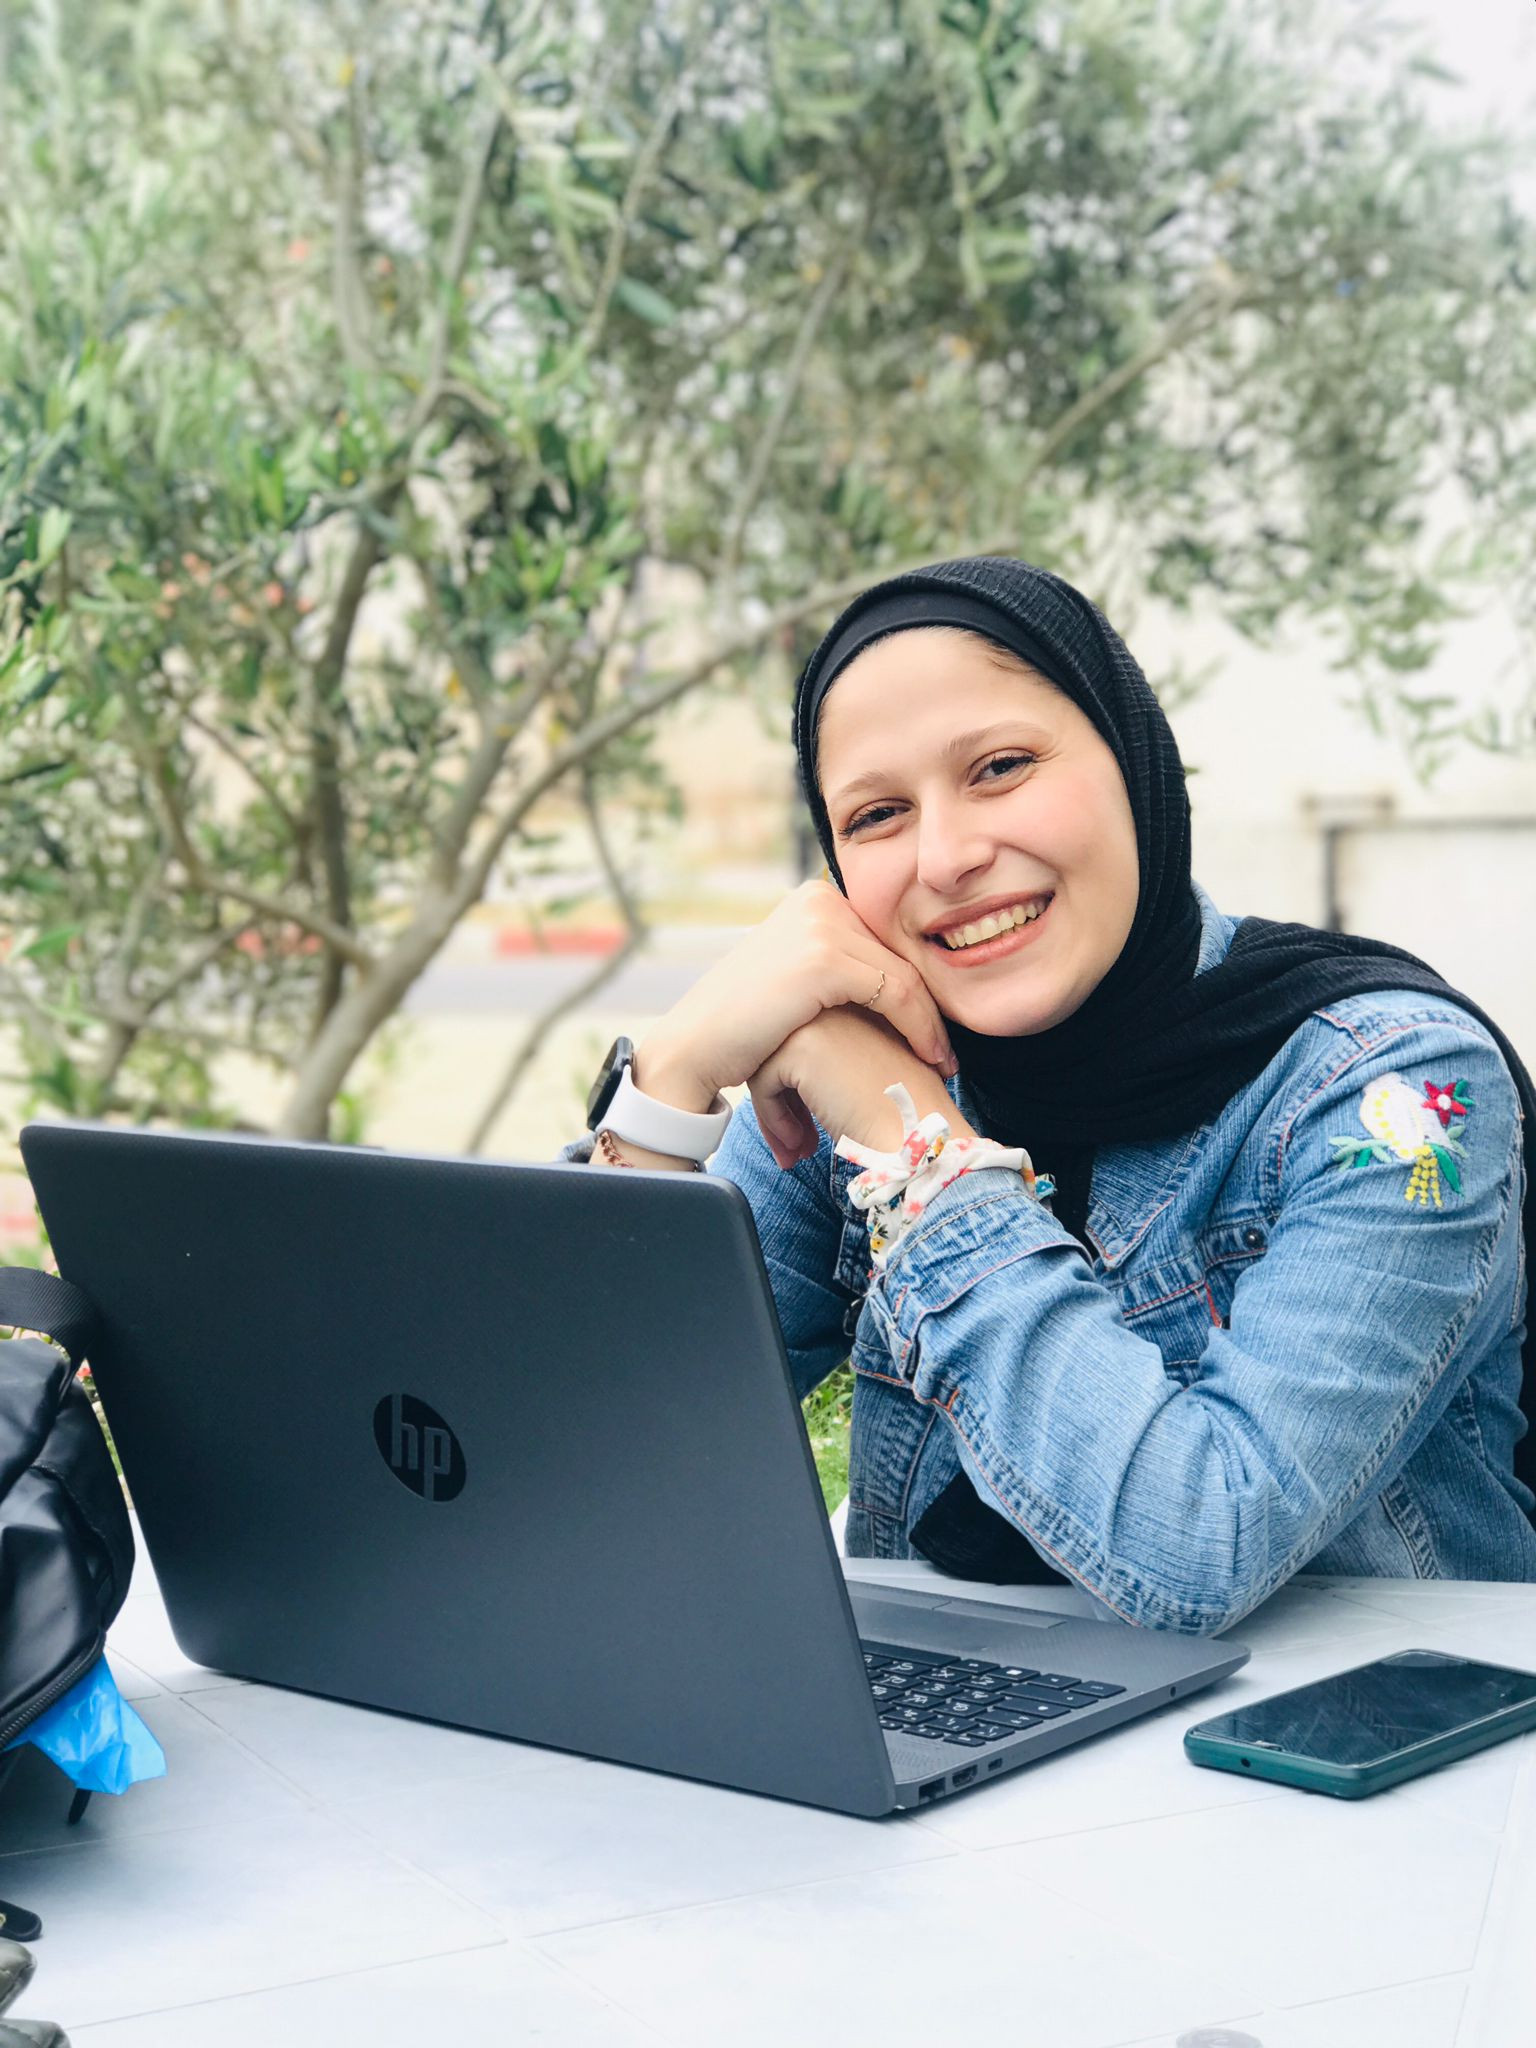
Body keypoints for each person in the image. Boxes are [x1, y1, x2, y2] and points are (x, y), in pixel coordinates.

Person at [561, 556, 1536, 1634]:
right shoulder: (867, 1054)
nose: (947, 857)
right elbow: (573, 1447)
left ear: (1132, 760)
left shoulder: (1401, 1093)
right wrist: (668, 1084)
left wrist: (917, 1151)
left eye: (1001, 766)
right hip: (959, 1724)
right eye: (877, 813)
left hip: (1363, 1731)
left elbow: (1200, 1548)